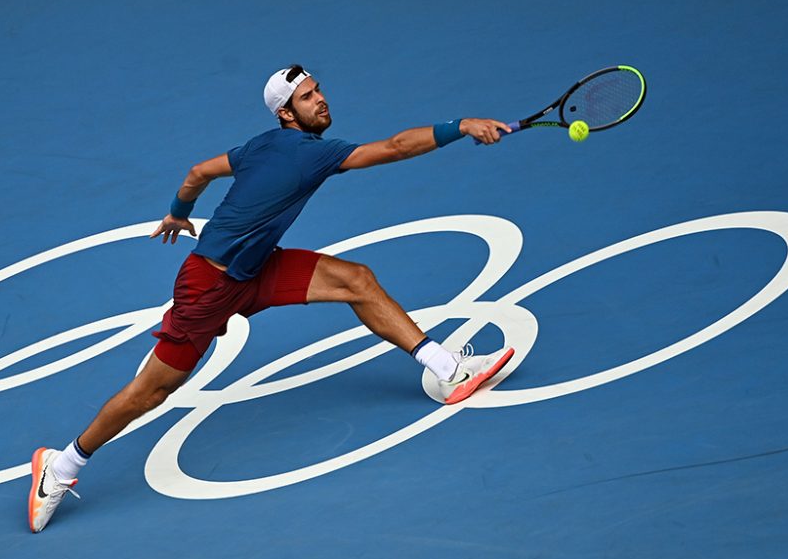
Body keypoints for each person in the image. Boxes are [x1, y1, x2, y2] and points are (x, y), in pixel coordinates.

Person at [29, 64, 515, 533]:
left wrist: (179, 212)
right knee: (153, 391)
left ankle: (448, 371)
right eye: (307, 97)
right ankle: (62, 464)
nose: (320, 99)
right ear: (286, 113)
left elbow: (198, 171)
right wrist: (462, 125)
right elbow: (394, 147)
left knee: (356, 281)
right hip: (209, 288)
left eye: (318, 89)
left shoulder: (259, 146)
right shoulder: (309, 153)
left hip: (256, 267)